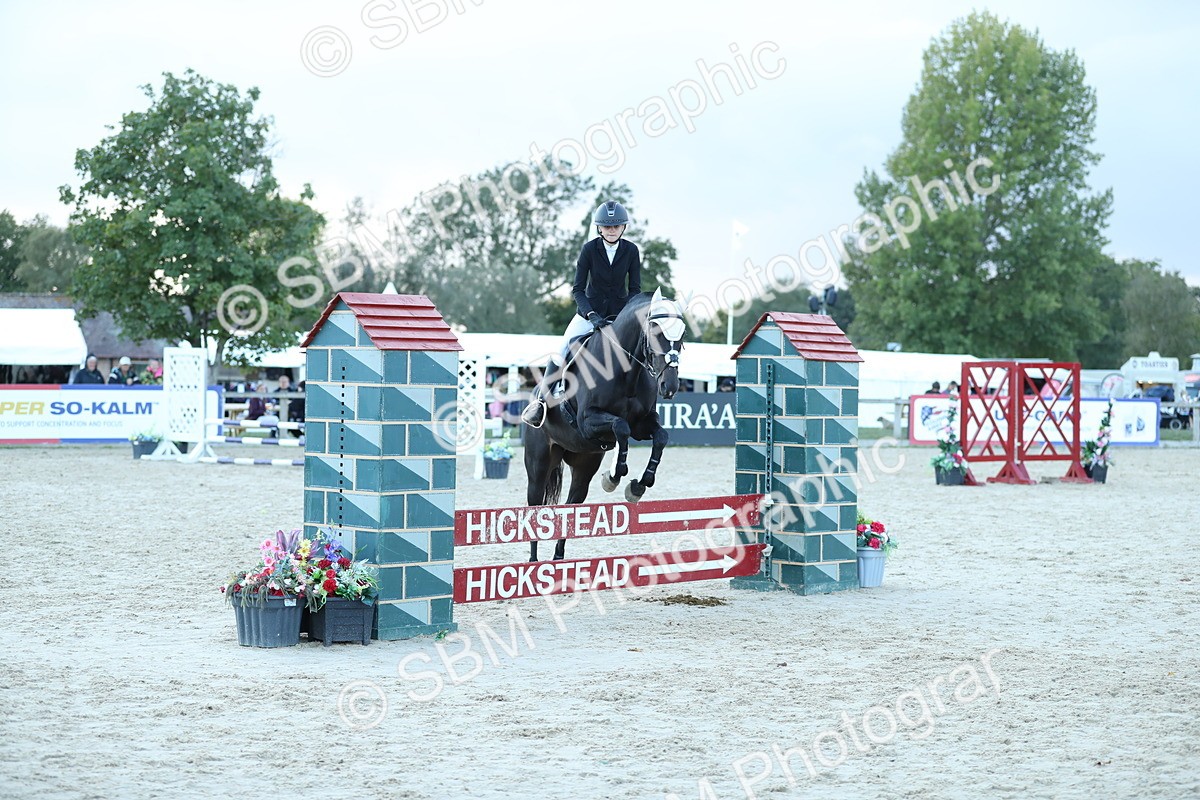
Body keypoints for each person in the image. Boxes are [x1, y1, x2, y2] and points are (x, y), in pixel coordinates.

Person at [522, 200, 642, 426]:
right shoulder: (589, 250)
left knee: (639, 348)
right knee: (562, 349)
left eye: (616, 226)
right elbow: (577, 289)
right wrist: (591, 315)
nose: (612, 230)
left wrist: (625, 315)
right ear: (599, 228)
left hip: (618, 316)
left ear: (623, 227)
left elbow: (634, 289)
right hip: (588, 315)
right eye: (607, 226)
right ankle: (541, 403)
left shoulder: (631, 251)